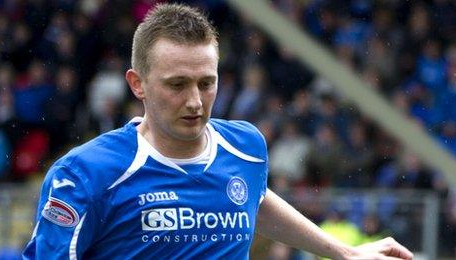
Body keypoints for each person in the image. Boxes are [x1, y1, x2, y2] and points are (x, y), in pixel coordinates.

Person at [23, 4, 413, 259]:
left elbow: (253, 200)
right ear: (137, 84)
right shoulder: (85, 174)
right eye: (177, 85)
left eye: (206, 83)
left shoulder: (246, 147)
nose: (195, 101)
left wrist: (344, 253)